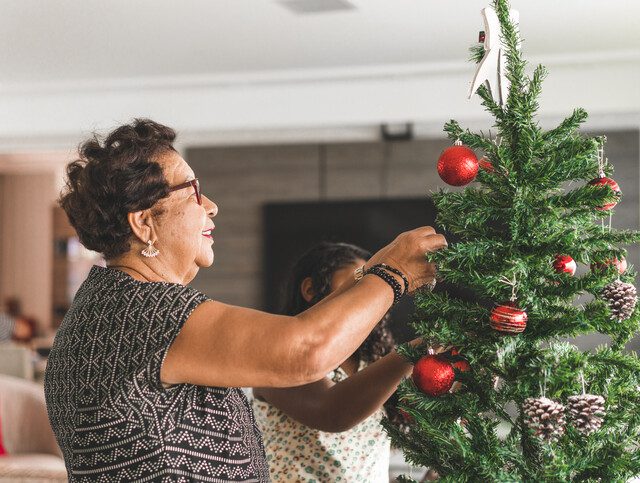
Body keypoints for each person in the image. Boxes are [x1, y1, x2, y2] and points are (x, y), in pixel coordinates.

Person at [44, 119, 446, 482]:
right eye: (193, 191)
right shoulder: (143, 314)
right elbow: (305, 350)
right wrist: (394, 273)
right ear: (144, 222)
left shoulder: (109, 307)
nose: (211, 206)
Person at [253, 242, 415, 482]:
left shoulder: (375, 362)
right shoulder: (277, 353)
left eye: (376, 289)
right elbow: (332, 411)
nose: (370, 299)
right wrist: (413, 352)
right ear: (310, 289)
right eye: (359, 286)